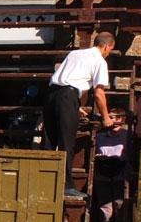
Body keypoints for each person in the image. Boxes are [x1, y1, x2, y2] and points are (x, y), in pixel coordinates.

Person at [42, 31, 114, 198]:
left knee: (49, 140)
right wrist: (105, 117)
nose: (108, 53)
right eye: (110, 50)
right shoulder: (99, 61)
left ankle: (44, 180)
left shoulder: (75, 53)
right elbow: (98, 94)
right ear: (106, 46)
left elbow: (68, 79)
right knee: (66, 142)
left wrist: (76, 105)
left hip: (52, 94)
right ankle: (67, 185)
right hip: (68, 96)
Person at [92, 108, 130, 222]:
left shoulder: (127, 135)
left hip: (120, 173)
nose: (113, 120)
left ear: (121, 119)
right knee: (105, 206)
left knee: (120, 205)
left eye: (115, 118)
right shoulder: (100, 136)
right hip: (103, 172)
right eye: (110, 117)